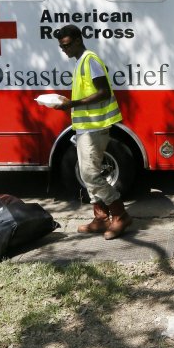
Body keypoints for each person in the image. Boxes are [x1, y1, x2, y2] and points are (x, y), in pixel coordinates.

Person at [53, 24, 132, 240]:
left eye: (67, 45)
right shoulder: (81, 61)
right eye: (61, 47)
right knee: (89, 173)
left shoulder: (90, 60)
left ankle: (120, 214)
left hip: (95, 128)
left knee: (89, 174)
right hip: (85, 127)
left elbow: (104, 93)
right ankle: (100, 217)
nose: (65, 50)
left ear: (78, 39)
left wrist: (72, 104)